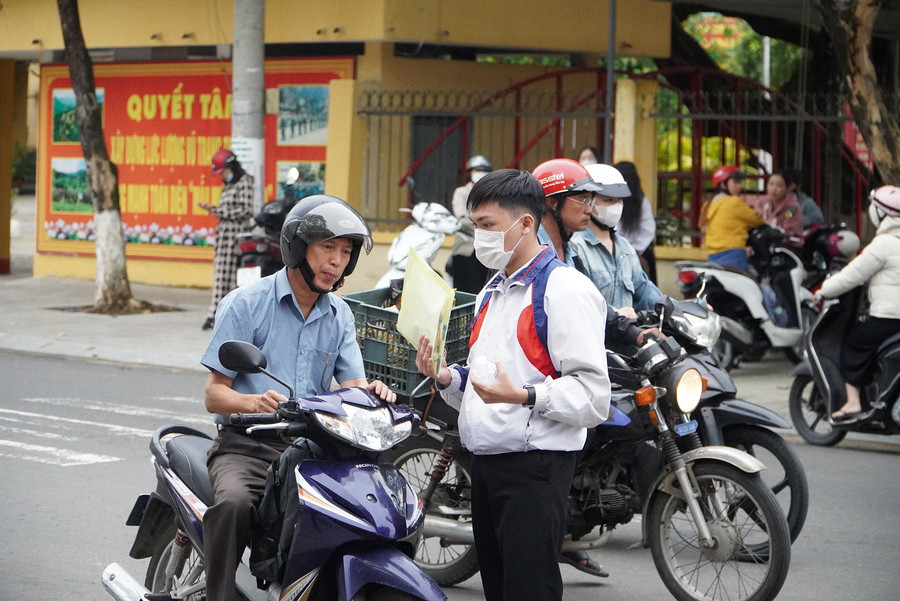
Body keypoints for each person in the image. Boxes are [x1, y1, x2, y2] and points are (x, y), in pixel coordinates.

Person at [413, 168, 611, 601]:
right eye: (476, 226)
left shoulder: (564, 290)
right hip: (485, 465)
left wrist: (524, 396)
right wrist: (446, 376)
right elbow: (488, 379)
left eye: (488, 226)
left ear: (526, 223)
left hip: (534, 468)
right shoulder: (492, 291)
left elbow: (594, 397)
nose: (480, 236)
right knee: (500, 590)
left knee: (529, 590)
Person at [199, 194, 397, 601]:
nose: (337, 261)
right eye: (327, 247)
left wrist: (372, 393)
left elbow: (350, 386)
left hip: (311, 449)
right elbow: (215, 395)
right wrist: (252, 403)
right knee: (235, 506)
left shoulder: (340, 314)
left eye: (345, 252)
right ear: (297, 247)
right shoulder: (247, 304)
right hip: (248, 447)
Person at [817, 185, 900, 420]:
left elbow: (851, 276)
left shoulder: (883, 245)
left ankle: (853, 402)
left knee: (854, 344)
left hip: (889, 318)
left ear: (880, 213)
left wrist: (824, 291)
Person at [570, 163, 663, 320]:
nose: (616, 206)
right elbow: (582, 302)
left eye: (619, 200)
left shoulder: (625, 248)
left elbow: (645, 290)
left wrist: (680, 309)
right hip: (597, 340)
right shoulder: (575, 247)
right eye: (608, 200)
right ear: (589, 202)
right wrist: (616, 314)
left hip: (629, 338)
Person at [199, 149, 255, 330]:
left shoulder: (245, 182)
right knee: (220, 276)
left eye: (223, 171)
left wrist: (218, 212)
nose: (222, 175)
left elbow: (246, 210)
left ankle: (224, 315)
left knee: (231, 279)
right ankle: (214, 313)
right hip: (224, 238)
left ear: (231, 167)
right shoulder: (228, 185)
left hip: (235, 238)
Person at [704, 165, 765, 270]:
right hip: (732, 253)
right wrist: (759, 212)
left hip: (713, 254)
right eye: (735, 182)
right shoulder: (734, 202)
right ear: (723, 184)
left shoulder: (712, 204)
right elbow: (758, 220)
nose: (739, 186)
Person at [447, 155, 493, 293]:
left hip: (488, 248)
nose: (480, 172)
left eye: (484, 170)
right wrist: (486, 227)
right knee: (464, 293)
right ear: (469, 173)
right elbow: (462, 218)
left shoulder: (493, 193)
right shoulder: (461, 192)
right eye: (476, 170)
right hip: (466, 249)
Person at [614, 160, 658, 284]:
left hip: (640, 254)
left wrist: (633, 251)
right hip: (618, 252)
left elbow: (648, 231)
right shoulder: (615, 201)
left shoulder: (641, 203)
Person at [749, 169, 804, 240]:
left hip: (787, 243)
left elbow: (788, 232)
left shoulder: (792, 208)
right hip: (763, 240)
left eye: (779, 186)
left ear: (787, 188)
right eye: (771, 184)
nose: (774, 189)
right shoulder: (761, 202)